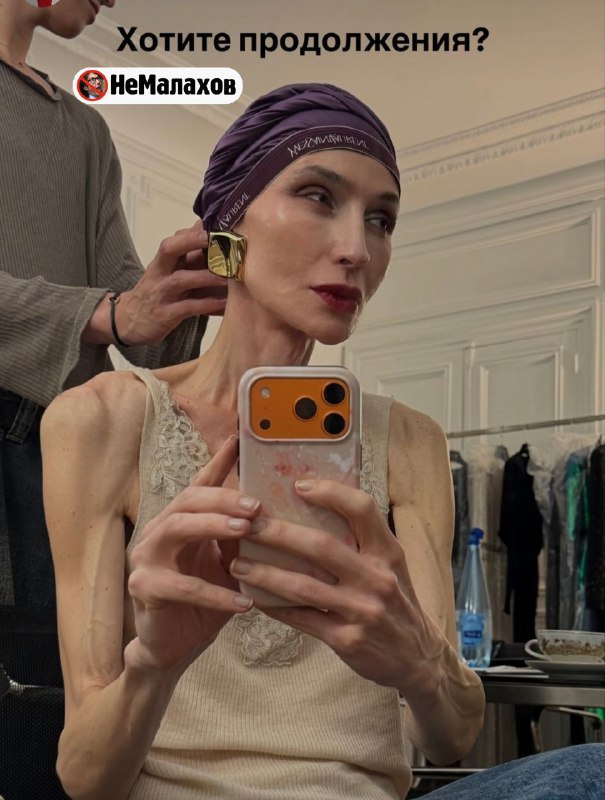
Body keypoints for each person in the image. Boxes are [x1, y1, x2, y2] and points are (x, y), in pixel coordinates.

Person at [40, 84, 604, 800]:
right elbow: (85, 777)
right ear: (227, 225)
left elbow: (451, 737)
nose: (356, 249)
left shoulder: (408, 439)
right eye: (317, 196)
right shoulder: (103, 419)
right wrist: (155, 664)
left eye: (380, 220)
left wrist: (417, 665)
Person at [0, 0, 227, 614]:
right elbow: (116, 313)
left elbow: (137, 321)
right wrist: (113, 314)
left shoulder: (85, 130)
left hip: (79, 448)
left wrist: (188, 290)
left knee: (74, 665)